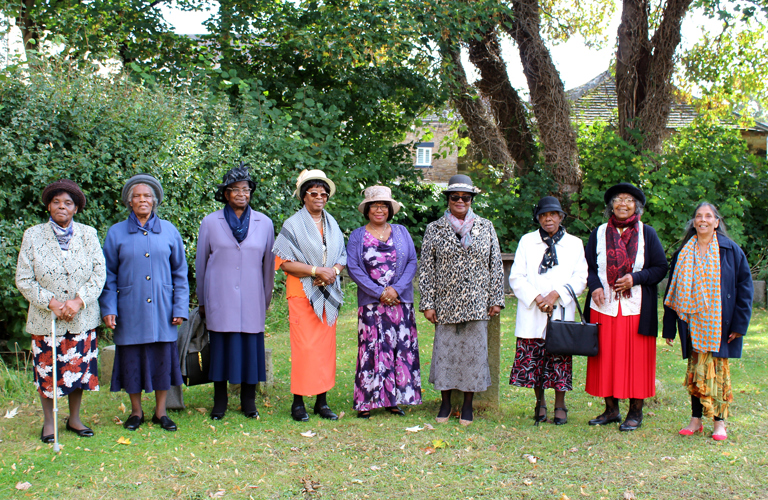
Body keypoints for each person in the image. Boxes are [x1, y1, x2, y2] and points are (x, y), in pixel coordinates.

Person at [16, 179, 106, 442]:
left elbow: (99, 273)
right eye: (56, 202)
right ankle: (50, 422)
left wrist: (78, 301)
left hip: (82, 317)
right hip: (46, 319)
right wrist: (52, 303)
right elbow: (23, 278)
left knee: (77, 368)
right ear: (48, 206)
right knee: (48, 369)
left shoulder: (89, 234)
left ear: (76, 208)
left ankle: (75, 419)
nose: (61, 207)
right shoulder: (32, 235)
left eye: (68, 203)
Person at [99, 174, 189, 432]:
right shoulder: (116, 233)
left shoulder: (169, 231)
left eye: (147, 196)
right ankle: (136, 412)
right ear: (129, 201)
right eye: (137, 196)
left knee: (162, 357)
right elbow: (109, 274)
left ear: (155, 200)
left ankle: (160, 412)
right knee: (132, 360)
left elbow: (180, 273)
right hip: (129, 307)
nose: (142, 200)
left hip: (163, 306)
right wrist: (109, 308)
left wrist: (179, 307)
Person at [419, 174, 505, 426]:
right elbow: (426, 268)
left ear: (471, 200)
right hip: (445, 303)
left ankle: (468, 405)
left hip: (478, 302)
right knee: (445, 354)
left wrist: (496, 298)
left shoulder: (486, 226)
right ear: (448, 199)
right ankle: (446, 403)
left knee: (473, 356)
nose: (460, 201)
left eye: (465, 197)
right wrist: (428, 303)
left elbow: (496, 265)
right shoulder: (434, 228)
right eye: (455, 197)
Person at [663, 202, 753, 441]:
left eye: (708, 216)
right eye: (698, 216)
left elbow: (745, 288)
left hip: (720, 324)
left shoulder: (731, 250)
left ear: (716, 222)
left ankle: (719, 422)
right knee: (695, 372)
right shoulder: (683, 252)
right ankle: (695, 420)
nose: (702, 220)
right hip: (692, 323)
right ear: (694, 222)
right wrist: (669, 327)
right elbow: (672, 292)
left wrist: (739, 325)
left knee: (718, 373)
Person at [584, 183, 668, 431]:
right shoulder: (598, 233)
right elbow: (587, 266)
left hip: (636, 308)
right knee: (605, 357)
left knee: (636, 360)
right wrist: (595, 285)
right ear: (611, 205)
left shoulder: (647, 233)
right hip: (604, 306)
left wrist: (635, 278)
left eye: (629, 200)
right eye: (618, 199)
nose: (623, 203)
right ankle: (611, 410)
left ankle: (635, 412)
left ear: (636, 206)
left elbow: (661, 268)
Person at [196, 163, 275, 420]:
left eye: (246, 189)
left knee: (251, 350)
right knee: (221, 349)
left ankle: (248, 402)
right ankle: (219, 402)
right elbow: (201, 263)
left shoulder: (265, 223)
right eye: (235, 189)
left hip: (253, 296)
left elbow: (268, 266)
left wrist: (266, 298)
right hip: (220, 296)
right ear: (226, 194)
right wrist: (203, 300)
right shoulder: (210, 222)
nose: (242, 194)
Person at [272, 169, 347, 422]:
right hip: (302, 294)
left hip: (327, 292)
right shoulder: (292, 224)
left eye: (323, 194)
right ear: (304, 196)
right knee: (304, 349)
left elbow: (342, 257)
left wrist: (332, 271)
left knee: (325, 350)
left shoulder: (332, 223)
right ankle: (298, 403)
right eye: (313, 193)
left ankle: (322, 402)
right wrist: (316, 270)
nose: (319, 197)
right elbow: (283, 262)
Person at [508, 196, 588, 425]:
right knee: (535, 358)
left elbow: (580, 277)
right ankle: (540, 402)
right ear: (538, 219)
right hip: (534, 310)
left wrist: (556, 295)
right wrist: (538, 297)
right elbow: (516, 276)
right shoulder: (527, 241)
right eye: (543, 215)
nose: (548, 219)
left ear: (561, 217)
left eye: (552, 214)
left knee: (560, 357)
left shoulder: (574, 243)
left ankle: (560, 404)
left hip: (561, 310)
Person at [346, 186, 421, 419]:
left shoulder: (401, 231)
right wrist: (379, 292)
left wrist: (395, 289)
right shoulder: (357, 235)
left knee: (399, 350)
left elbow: (411, 261)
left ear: (389, 210)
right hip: (371, 303)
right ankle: (367, 401)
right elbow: (353, 267)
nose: (379, 209)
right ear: (367, 210)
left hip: (400, 302)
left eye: (383, 206)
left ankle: (394, 400)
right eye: (374, 206)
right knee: (371, 350)